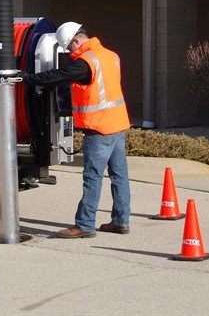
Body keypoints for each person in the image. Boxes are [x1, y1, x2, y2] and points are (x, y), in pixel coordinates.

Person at [23, 21, 131, 239]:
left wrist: (27, 78)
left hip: (98, 128)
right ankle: (121, 221)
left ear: (75, 40)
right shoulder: (111, 55)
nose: (69, 52)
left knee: (92, 177)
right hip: (118, 125)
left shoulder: (85, 62)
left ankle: (84, 225)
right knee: (119, 176)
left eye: (69, 48)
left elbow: (57, 76)